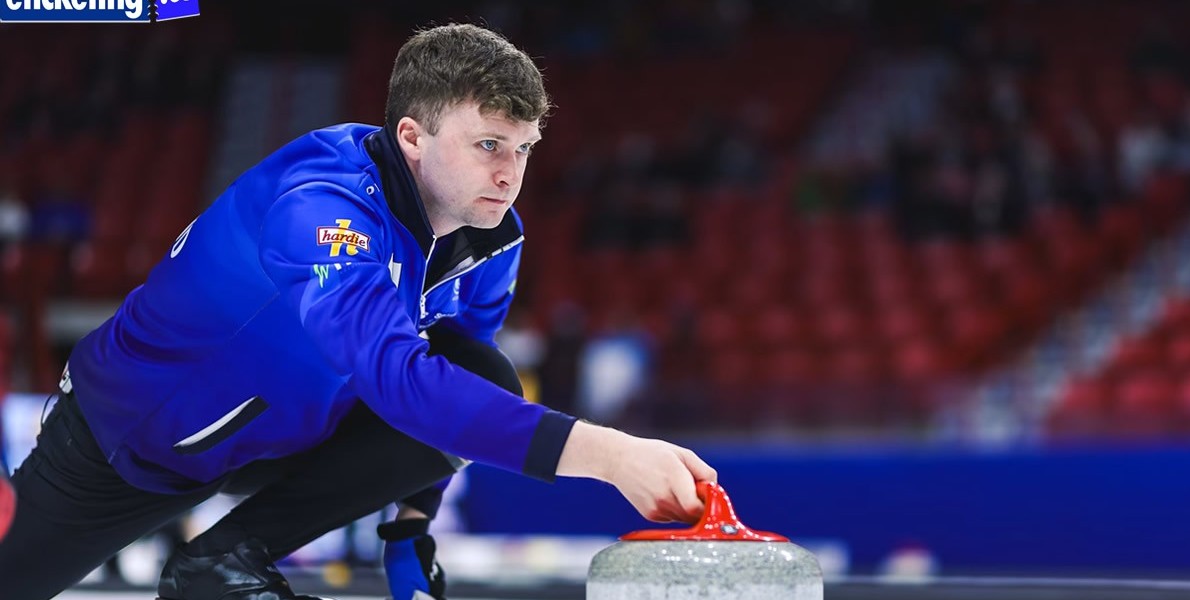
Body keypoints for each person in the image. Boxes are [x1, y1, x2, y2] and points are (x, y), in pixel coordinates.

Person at [0, 23, 717, 600]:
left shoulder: (493, 233)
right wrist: (612, 455)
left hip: (285, 435)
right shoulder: (322, 206)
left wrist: (413, 525)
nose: (509, 173)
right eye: (489, 145)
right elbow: (396, 380)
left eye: (524, 149)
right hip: (130, 441)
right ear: (412, 136)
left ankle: (221, 564)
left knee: (482, 372)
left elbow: (456, 385)